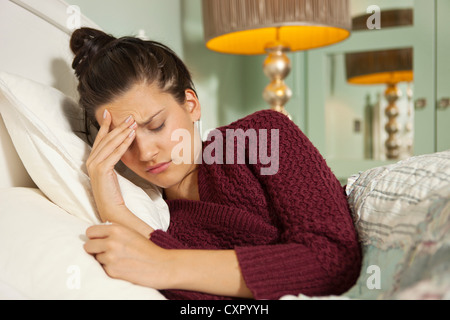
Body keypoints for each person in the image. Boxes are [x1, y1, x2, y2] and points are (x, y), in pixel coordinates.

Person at [70, 27, 362, 300]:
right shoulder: (160, 221)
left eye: (157, 125)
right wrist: (115, 211)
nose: (145, 152)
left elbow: (333, 259)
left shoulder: (261, 136)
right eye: (124, 141)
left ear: (191, 105)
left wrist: (166, 263)